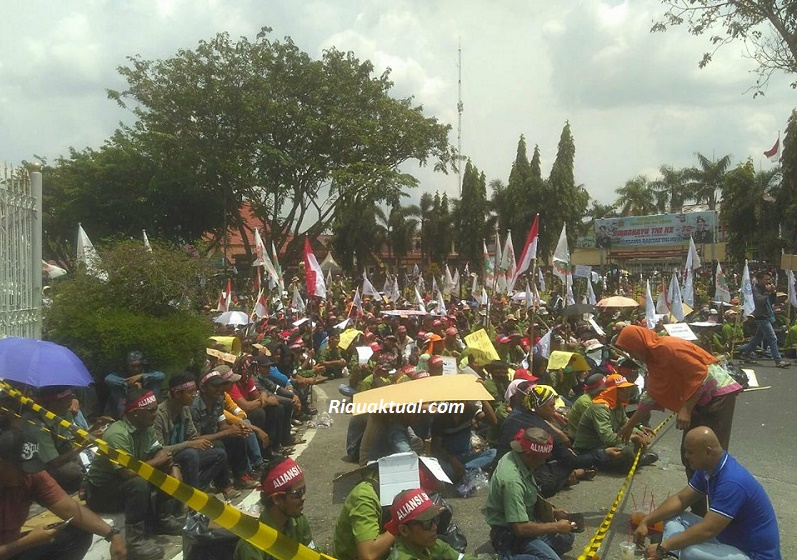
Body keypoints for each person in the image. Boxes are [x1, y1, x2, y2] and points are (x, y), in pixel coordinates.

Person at [615, 325, 744, 515]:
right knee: (689, 454)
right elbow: (651, 395)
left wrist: (686, 408)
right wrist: (629, 426)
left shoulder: (668, 347)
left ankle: (721, 512)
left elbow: (700, 374)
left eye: (630, 349)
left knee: (710, 455)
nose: (631, 354)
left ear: (639, 342)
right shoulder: (653, 361)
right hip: (698, 401)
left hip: (716, 397)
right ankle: (699, 511)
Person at [0, 391, 127, 560]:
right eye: (19, 468)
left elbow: (67, 506)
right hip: (11, 549)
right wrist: (26, 543)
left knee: (78, 531)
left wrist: (113, 534)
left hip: (13, 547)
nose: (25, 474)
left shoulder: (31, 475)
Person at [634, 427, 780, 560]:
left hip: (753, 554)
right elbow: (680, 500)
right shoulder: (707, 469)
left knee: (690, 553)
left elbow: (708, 529)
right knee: (674, 515)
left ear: (708, 452)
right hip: (726, 538)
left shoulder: (732, 482)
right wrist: (646, 521)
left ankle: (670, 553)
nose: (686, 456)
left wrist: (663, 547)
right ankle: (672, 555)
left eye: (690, 452)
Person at [85, 388, 182, 560]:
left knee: (169, 466)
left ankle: (164, 519)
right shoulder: (117, 435)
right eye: (151, 411)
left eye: (156, 409)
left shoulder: (146, 426)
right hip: (102, 492)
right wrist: (158, 461)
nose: (155, 414)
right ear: (135, 413)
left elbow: (160, 452)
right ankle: (135, 542)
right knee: (138, 483)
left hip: (122, 484)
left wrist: (173, 466)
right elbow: (128, 473)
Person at [484, 427, 576, 560]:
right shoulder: (512, 481)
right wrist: (555, 526)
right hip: (510, 533)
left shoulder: (517, 457)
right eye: (542, 458)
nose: (544, 462)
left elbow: (529, 494)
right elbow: (520, 529)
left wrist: (552, 512)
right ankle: (506, 555)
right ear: (528, 455)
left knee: (566, 537)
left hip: (524, 521)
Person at [152, 373, 234, 498]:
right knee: (190, 453)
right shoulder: (160, 415)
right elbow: (160, 449)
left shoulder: (185, 409)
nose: (194, 395)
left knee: (219, 453)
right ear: (178, 394)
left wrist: (199, 443)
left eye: (195, 391)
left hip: (185, 455)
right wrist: (190, 444)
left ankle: (194, 491)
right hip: (167, 460)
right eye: (191, 392)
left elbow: (193, 436)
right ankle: (193, 499)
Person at [572, 374, 658, 473]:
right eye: (624, 390)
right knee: (626, 451)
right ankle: (635, 461)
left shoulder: (618, 405)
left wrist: (640, 433)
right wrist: (633, 437)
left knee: (636, 443)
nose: (628, 393)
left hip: (604, 445)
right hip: (590, 449)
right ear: (613, 391)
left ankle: (634, 461)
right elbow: (608, 438)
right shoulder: (600, 408)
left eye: (628, 390)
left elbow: (624, 425)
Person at [233, 458, 315, 560]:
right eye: (297, 493)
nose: (303, 497)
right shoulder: (251, 546)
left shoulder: (299, 521)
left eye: (304, 490)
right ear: (276, 499)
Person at [385, 489, 478, 560]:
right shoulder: (403, 557)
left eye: (435, 519)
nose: (434, 527)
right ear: (404, 530)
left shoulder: (432, 544)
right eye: (427, 523)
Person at [739, 271, 790, 368]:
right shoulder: (755, 289)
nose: (768, 281)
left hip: (767, 315)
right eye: (766, 279)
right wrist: (767, 292)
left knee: (758, 338)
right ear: (760, 280)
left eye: (769, 279)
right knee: (773, 338)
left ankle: (745, 354)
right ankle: (778, 360)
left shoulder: (765, 289)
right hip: (760, 317)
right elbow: (760, 301)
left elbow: (773, 302)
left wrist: (773, 292)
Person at [105, 351, 166, 418]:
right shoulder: (122, 374)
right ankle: (123, 416)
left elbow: (161, 375)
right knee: (117, 389)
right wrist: (127, 383)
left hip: (148, 402)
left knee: (154, 383)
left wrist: (142, 376)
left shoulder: (147, 372)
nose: (136, 368)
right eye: (133, 366)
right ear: (128, 366)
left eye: (138, 365)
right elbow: (108, 379)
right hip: (127, 403)